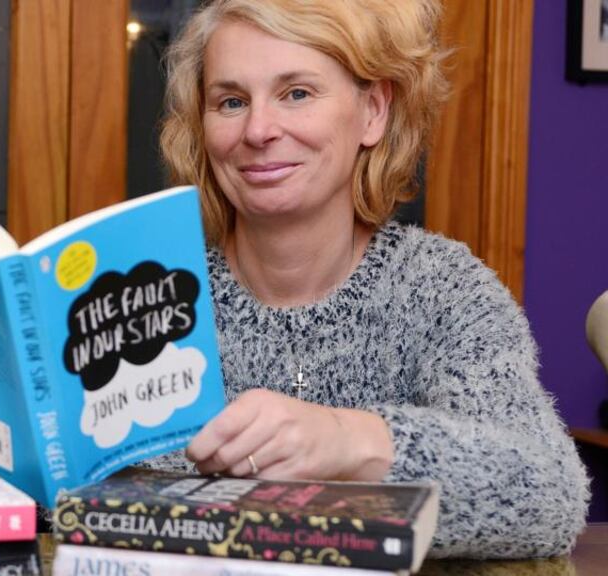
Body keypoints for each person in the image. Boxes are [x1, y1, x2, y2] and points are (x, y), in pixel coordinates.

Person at [151, 0, 590, 559]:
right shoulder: (154, 297)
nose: (258, 129)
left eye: (297, 93)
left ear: (373, 112)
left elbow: (550, 493)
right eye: (231, 101)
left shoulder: (444, 289)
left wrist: (353, 441)